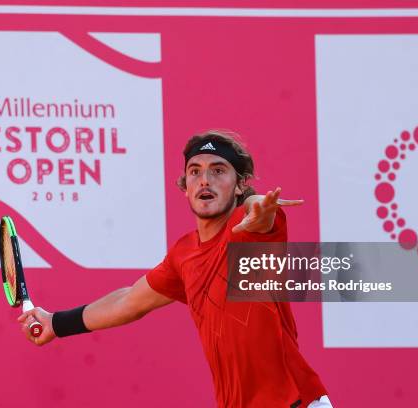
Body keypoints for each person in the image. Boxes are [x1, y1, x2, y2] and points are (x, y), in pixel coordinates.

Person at [18, 130, 332, 408]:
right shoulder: (184, 255)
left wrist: (259, 208)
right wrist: (56, 323)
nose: (205, 180)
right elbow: (129, 300)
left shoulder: (247, 232)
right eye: (195, 172)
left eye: (218, 170)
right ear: (185, 186)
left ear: (239, 186)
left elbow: (260, 213)